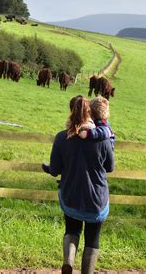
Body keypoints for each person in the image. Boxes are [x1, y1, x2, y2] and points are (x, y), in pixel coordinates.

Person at [42, 96, 114, 274]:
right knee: (92, 239)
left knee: (72, 230)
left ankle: (69, 261)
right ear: (90, 114)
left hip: (71, 195)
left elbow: (55, 170)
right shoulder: (102, 139)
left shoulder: (62, 137)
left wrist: (47, 168)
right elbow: (110, 167)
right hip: (96, 198)